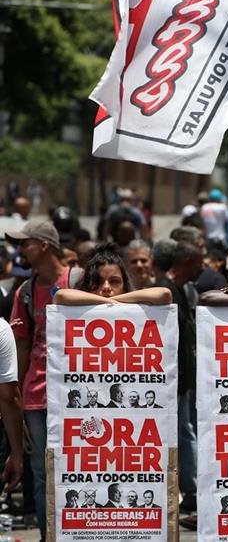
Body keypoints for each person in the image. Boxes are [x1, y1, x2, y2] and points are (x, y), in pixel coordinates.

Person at [6, 221, 82, 540]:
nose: (20, 250)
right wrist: (18, 397)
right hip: (38, 396)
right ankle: (49, 534)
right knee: (41, 471)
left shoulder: (78, 280)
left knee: (78, 466)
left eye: (26, 243)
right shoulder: (24, 292)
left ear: (46, 245)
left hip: (78, 394)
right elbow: (21, 346)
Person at [153, 241, 203, 514]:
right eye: (198, 261)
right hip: (174, 381)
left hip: (181, 381)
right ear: (184, 260)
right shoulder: (167, 289)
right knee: (184, 435)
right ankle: (192, 491)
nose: (202, 267)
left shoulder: (182, 290)